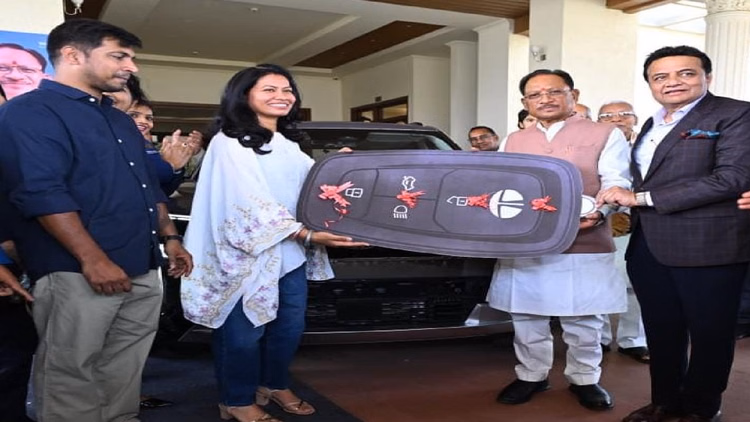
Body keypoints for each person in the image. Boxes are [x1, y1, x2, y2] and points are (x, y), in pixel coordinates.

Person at [0, 18, 194, 422]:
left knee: (124, 368)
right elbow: (41, 192)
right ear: (73, 55)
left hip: (142, 264)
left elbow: (145, 187)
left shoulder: (118, 119)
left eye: (131, 58)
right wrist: (93, 259)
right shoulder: (29, 112)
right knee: (71, 374)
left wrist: (170, 238)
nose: (131, 67)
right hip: (77, 270)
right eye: (119, 56)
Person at [181, 64, 368, 422]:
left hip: (289, 253)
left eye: (287, 90)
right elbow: (247, 200)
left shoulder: (287, 144)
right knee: (243, 332)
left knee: (288, 328)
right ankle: (236, 399)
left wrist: (337, 168)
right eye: (269, 89)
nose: (282, 96)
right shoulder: (228, 142)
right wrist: (306, 234)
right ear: (244, 95)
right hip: (244, 255)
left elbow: (310, 186)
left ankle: (273, 384)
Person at [597, 46, 750, 422]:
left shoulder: (735, 113)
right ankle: (664, 401)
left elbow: (731, 178)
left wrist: (640, 199)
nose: (672, 82)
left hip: (709, 244)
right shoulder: (652, 124)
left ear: (707, 77)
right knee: (661, 331)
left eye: (686, 73)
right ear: (650, 84)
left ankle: (702, 407)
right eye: (660, 76)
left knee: (710, 334)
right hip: (648, 245)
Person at [489, 69, 631, 411]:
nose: (545, 99)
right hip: (526, 241)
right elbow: (502, 184)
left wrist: (601, 212)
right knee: (527, 314)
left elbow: (615, 181)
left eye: (554, 91)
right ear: (525, 102)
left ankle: (585, 378)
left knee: (583, 316)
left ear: (573, 95)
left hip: (584, 238)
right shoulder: (513, 140)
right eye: (535, 95)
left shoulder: (604, 133)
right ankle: (531, 375)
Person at [597, 101, 649, 364]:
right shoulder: (595, 146)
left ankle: (634, 340)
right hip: (601, 222)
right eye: (607, 116)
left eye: (624, 114)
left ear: (635, 118)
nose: (616, 119)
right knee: (599, 282)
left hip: (641, 222)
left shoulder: (648, 145)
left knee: (636, 283)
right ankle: (600, 338)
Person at [108, 75, 203, 196]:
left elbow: (163, 190)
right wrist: (169, 164)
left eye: (148, 118)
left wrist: (178, 162)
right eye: (134, 115)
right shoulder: (111, 141)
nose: (143, 121)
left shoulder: (150, 149)